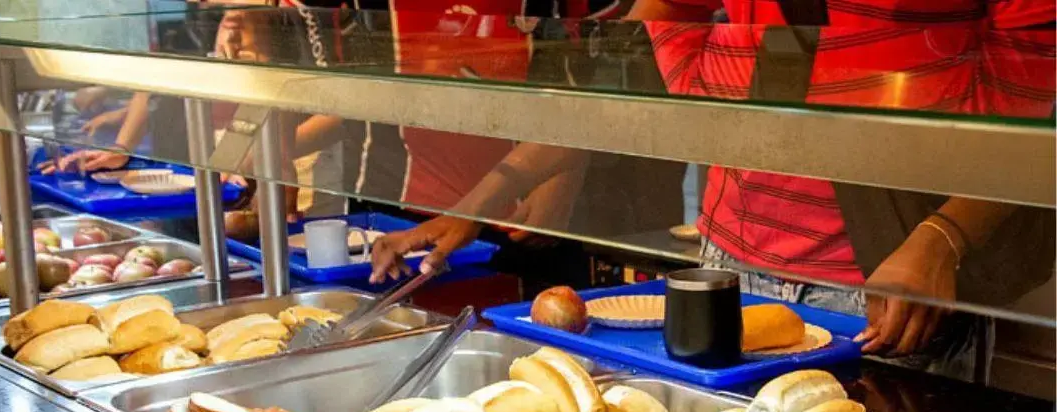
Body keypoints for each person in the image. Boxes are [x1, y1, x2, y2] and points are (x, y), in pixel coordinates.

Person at [370, 0, 1055, 382]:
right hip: (726, 269)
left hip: (878, 289)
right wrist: (478, 204)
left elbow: (1041, 100)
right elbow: (633, 93)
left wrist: (943, 236)